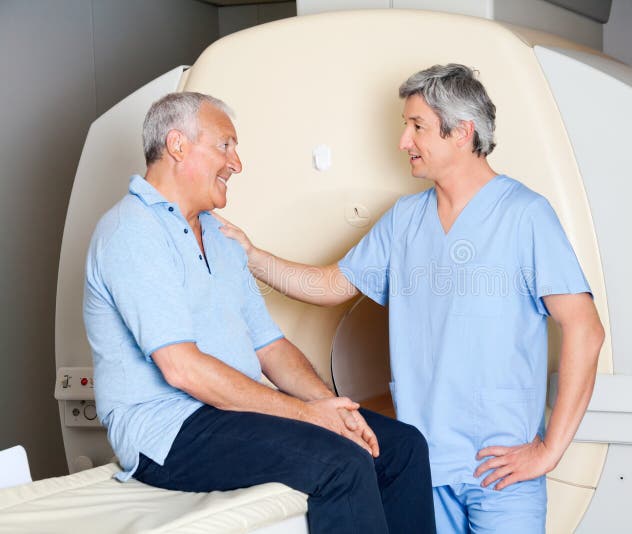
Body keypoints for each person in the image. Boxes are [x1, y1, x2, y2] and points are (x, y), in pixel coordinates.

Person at [217, 64, 605, 533]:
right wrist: (252, 255)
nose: (404, 141)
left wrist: (549, 450)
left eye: (417, 126)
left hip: (501, 469)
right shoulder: (405, 220)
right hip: (424, 466)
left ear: (462, 132)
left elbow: (586, 328)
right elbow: (331, 287)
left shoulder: (525, 216)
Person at [83, 91, 436, 534]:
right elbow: (182, 370)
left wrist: (330, 406)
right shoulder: (131, 232)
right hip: (167, 433)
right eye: (225, 145)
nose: (237, 162)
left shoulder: (219, 237)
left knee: (400, 447)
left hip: (231, 415)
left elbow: (270, 346)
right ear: (178, 146)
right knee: (341, 463)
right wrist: (306, 415)